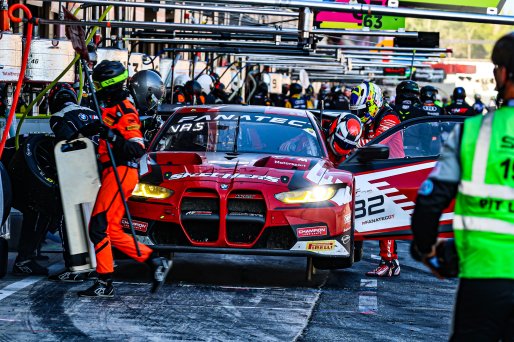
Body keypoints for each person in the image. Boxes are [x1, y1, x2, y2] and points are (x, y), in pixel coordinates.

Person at [410, 33, 514, 340]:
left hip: (483, 277)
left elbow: (430, 203)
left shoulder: (473, 132)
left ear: (504, 73)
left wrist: (427, 248)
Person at [78, 60, 171, 297]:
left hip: (121, 172)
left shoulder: (125, 110)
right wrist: (94, 130)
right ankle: (154, 261)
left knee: (98, 228)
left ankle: (104, 282)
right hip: (112, 172)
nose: (96, 88)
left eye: (99, 84)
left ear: (109, 84)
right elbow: (105, 128)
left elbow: (137, 148)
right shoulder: (110, 105)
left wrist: (110, 136)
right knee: (111, 230)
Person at [46, 83, 101, 282]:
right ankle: (98, 265)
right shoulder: (92, 111)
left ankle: (75, 267)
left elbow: (64, 144)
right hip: (102, 171)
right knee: (95, 221)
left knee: (68, 220)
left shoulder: (59, 117)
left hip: (78, 172)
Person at [350, 81, 403, 277]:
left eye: (362, 109)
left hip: (394, 172)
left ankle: (390, 262)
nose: (359, 114)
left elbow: (372, 143)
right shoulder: (371, 119)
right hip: (376, 170)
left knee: (383, 216)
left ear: (372, 103)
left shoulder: (388, 117)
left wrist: (347, 140)